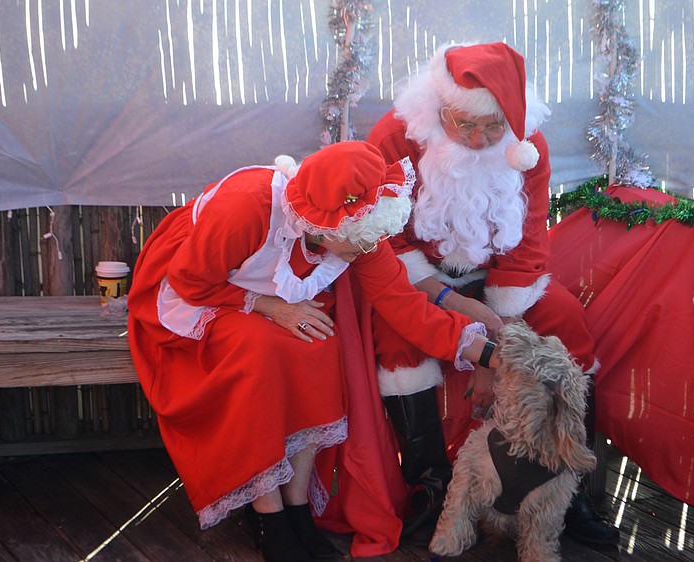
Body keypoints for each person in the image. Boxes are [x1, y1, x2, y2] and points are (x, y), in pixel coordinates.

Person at [126, 141, 501, 562]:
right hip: (200, 291)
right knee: (259, 351)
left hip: (258, 292)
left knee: (321, 346)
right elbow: (189, 284)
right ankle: (269, 517)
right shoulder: (244, 207)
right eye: (357, 242)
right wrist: (268, 306)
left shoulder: (359, 231)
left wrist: (488, 353)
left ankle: (298, 506)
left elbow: (405, 307)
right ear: (323, 225)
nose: (366, 250)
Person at [367, 42, 620, 547]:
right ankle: (431, 484)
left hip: (505, 287)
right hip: (420, 281)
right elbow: (386, 243)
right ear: (438, 109)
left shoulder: (530, 147)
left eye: (494, 126)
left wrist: (495, 332)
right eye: (464, 124)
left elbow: (528, 244)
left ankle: (570, 489)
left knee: (566, 320)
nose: (479, 139)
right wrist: (464, 312)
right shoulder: (395, 137)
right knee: (397, 344)